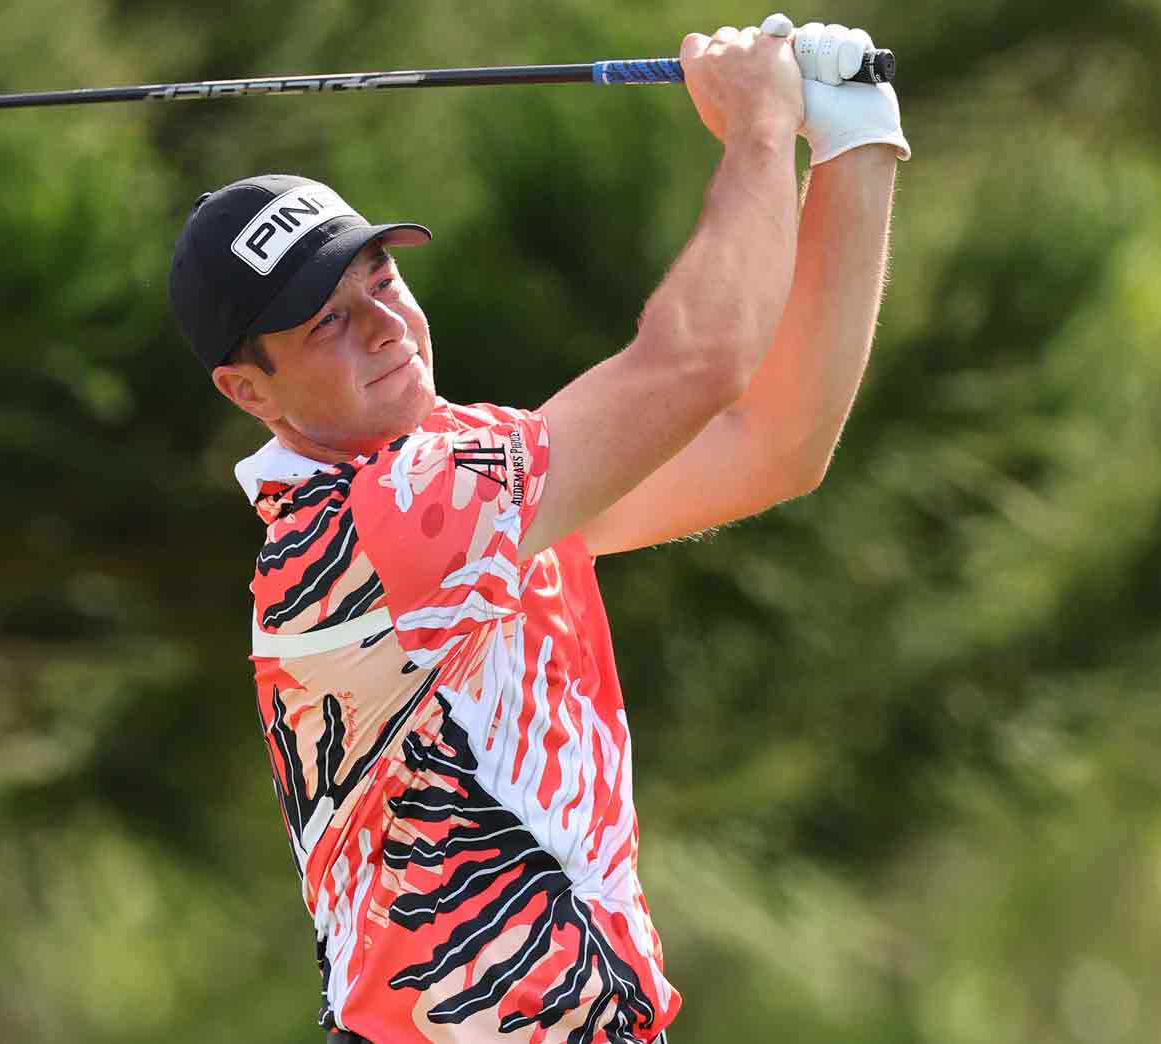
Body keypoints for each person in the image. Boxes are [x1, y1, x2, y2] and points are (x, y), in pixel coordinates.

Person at [166, 14, 908, 1043]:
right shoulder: (390, 521)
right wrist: (754, 131)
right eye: (326, 321)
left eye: (378, 278)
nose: (383, 322)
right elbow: (693, 364)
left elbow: (771, 445)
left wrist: (854, 142)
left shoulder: (471, 485)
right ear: (251, 391)